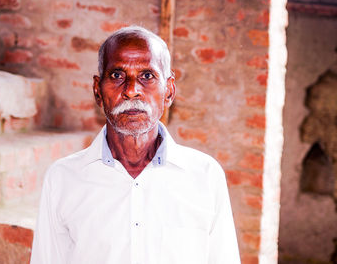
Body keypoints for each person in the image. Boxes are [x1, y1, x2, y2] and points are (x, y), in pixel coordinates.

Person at [30, 26, 240, 264]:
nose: (131, 90)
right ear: (97, 91)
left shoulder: (205, 176)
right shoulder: (63, 179)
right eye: (117, 75)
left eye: (147, 76)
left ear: (169, 91)